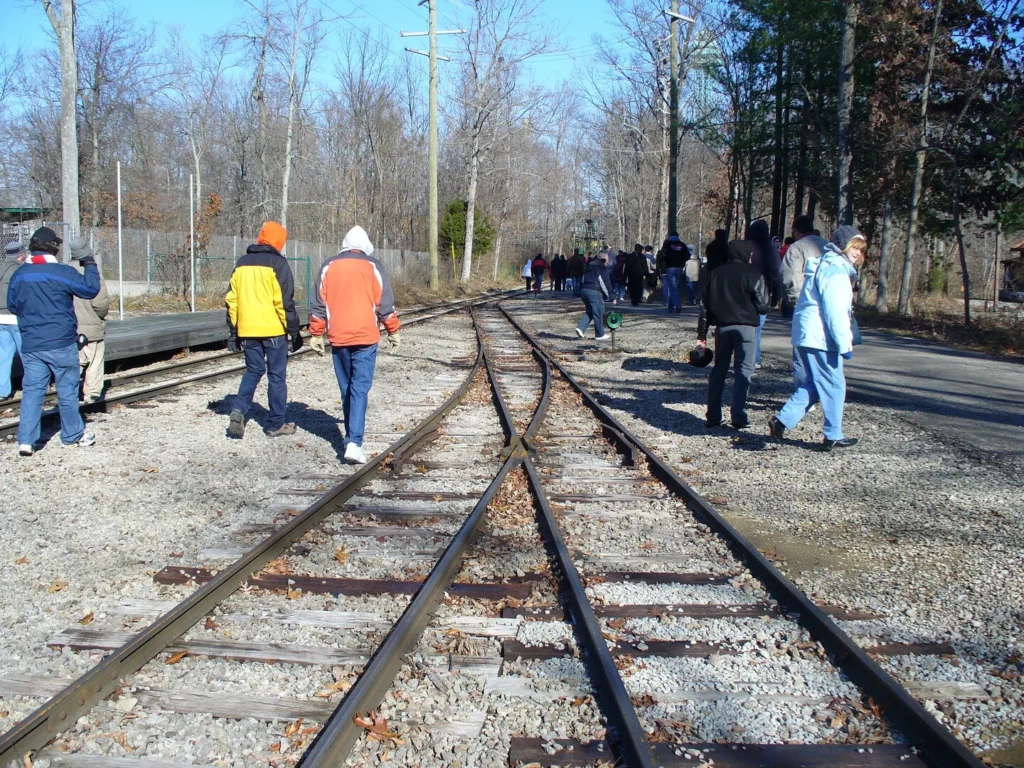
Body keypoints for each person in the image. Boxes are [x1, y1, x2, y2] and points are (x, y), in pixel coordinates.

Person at [769, 226, 866, 452]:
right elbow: (835, 311)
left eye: (861, 250)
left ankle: (782, 421)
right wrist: (844, 343)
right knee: (835, 384)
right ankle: (833, 434)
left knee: (815, 382)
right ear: (844, 247)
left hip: (808, 334)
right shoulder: (836, 270)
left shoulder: (826, 265)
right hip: (820, 336)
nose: (858, 254)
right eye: (855, 248)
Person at [309, 225, 400, 465]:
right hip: (366, 336)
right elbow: (384, 303)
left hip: (338, 336)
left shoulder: (328, 266)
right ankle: (354, 442)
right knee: (359, 388)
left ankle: (351, 437)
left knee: (346, 387)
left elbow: (319, 303)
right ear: (365, 246)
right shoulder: (373, 266)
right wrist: (393, 330)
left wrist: (316, 334)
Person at [7, 226, 100, 455]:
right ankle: (72, 436)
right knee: (67, 390)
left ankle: (26, 441)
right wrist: (89, 263)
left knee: (32, 392)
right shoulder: (60, 272)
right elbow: (90, 289)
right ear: (55, 247)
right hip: (61, 341)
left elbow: (12, 305)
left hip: (31, 343)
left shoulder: (19, 274)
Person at [225, 221, 302, 439]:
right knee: (276, 376)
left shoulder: (241, 264)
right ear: (279, 241)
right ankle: (275, 424)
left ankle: (239, 409)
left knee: (253, 371)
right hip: (273, 330)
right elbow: (285, 302)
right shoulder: (278, 264)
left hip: (248, 330)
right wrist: (294, 332)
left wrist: (234, 332)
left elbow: (232, 301)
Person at [697, 240, 771, 429]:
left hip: (722, 328)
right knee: (744, 371)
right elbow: (763, 306)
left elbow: (704, 307)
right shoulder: (753, 274)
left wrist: (702, 334)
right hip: (746, 329)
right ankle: (738, 415)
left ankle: (713, 415)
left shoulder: (715, 274)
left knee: (719, 371)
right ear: (745, 254)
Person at [781, 215, 828, 384]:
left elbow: (790, 277)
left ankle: (804, 392)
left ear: (797, 232)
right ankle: (822, 387)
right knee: (823, 349)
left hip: (805, 304)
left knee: (802, 351)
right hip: (828, 304)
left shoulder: (796, 248)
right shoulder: (827, 246)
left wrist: (794, 301)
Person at [68, 238, 111, 403]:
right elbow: (101, 304)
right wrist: (100, 316)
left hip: (70, 326)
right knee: (94, 361)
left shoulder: (63, 271)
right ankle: (91, 393)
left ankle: (69, 392)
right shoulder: (92, 272)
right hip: (91, 326)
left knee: (75, 362)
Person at [745, 220, 783, 367]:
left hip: (745, 292)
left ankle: (745, 358)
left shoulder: (745, 247)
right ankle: (755, 359)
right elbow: (777, 274)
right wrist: (776, 297)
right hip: (764, 293)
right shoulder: (771, 249)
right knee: (757, 328)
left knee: (744, 327)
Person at [0, 240, 27, 399]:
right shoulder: (20, 271)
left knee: (3, 355)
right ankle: (32, 387)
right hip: (16, 317)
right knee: (27, 355)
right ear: (21, 255)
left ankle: (2, 390)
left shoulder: (1, 268)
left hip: (0, 319)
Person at [575, 249, 612, 341]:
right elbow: (605, 283)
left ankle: (580, 328)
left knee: (590, 311)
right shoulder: (601, 268)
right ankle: (600, 334)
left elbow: (583, 279)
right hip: (594, 292)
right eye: (607, 260)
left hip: (584, 291)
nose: (608, 262)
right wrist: (611, 296)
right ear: (604, 260)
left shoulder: (589, 266)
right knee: (598, 313)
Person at [660, 233, 690, 313]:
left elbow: (661, 255)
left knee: (673, 288)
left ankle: (678, 305)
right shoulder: (682, 245)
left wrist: (666, 260)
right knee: (676, 288)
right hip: (679, 268)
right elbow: (688, 255)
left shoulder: (667, 245)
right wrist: (682, 261)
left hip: (670, 268)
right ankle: (670, 307)